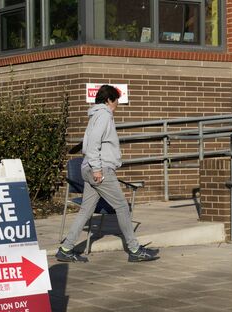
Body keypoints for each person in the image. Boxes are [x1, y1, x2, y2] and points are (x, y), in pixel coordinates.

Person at [56, 85, 160, 263]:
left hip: (90, 168)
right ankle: (134, 250)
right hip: (100, 170)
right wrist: (97, 169)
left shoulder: (95, 115)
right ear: (109, 100)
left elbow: (89, 143)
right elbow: (95, 142)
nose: (117, 104)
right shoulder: (104, 115)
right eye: (116, 100)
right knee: (122, 207)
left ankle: (65, 249)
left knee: (85, 211)